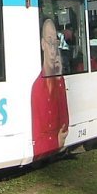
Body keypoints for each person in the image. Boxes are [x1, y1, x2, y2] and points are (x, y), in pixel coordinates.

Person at [30, 18, 69, 160]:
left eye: (55, 42)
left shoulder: (59, 80)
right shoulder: (37, 88)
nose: (53, 47)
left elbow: (65, 124)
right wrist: (55, 142)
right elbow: (36, 141)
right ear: (42, 44)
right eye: (49, 40)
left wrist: (59, 78)